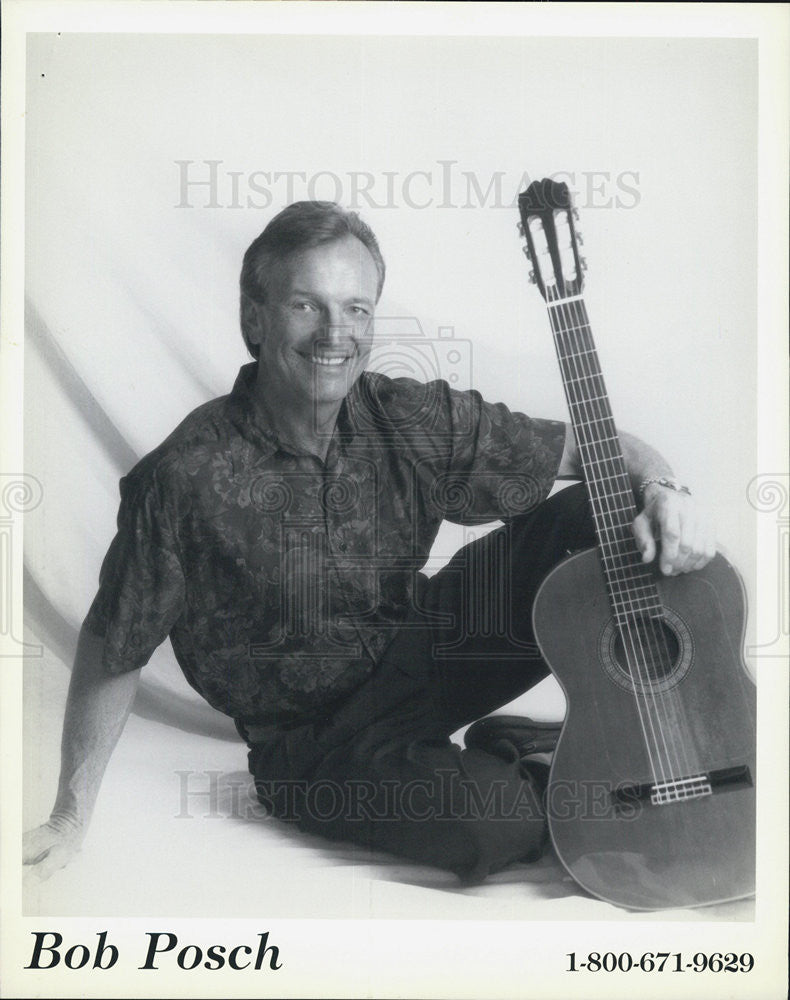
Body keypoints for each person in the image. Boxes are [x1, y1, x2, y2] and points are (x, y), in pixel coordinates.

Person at [23, 201, 715, 883]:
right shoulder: (184, 478)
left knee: (592, 513)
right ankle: (537, 762)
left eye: (356, 308)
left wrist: (664, 493)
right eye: (306, 305)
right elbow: (114, 645)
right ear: (254, 319)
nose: (335, 332)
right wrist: (68, 816)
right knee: (501, 826)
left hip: (425, 650)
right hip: (319, 748)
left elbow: (602, 449)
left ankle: (671, 731)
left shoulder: (404, 414)